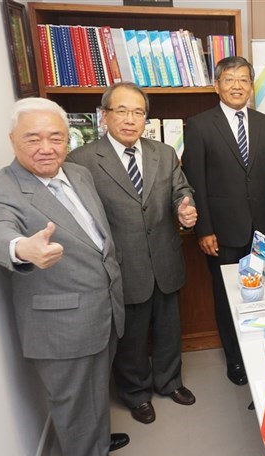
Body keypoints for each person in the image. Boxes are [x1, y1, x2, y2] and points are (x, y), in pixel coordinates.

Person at [0, 98, 131, 456]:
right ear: (12, 140)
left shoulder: (77, 174)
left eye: (56, 138)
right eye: (33, 138)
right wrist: (21, 249)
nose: (46, 148)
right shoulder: (1, 190)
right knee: (74, 397)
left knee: (94, 386)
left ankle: (94, 441)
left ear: (68, 140)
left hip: (101, 305)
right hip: (61, 320)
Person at [67, 82, 198, 425]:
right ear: (104, 116)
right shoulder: (81, 160)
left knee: (170, 327)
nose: (130, 119)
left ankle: (170, 381)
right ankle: (136, 393)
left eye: (138, 112)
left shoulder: (164, 152)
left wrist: (185, 206)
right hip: (122, 265)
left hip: (166, 257)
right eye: (121, 111)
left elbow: (180, 189)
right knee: (132, 336)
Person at [182, 56, 265, 386]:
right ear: (217, 85)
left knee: (260, 294)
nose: (237, 86)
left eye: (244, 80)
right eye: (229, 79)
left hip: (259, 230)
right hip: (221, 232)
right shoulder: (200, 125)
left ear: (251, 86)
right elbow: (195, 181)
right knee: (227, 297)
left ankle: (259, 350)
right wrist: (203, 229)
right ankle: (235, 360)